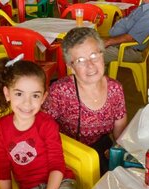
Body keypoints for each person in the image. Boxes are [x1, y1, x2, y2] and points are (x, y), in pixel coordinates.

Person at [0, 56, 76, 189]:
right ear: (7, 93)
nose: (27, 103)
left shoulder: (47, 124)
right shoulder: (1, 127)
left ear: (43, 98)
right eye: (19, 94)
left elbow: (57, 164)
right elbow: (2, 168)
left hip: (60, 185)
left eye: (35, 95)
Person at [42, 27, 128, 177]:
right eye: (80, 60)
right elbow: (42, 129)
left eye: (94, 55)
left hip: (100, 152)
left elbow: (120, 133)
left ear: (102, 55)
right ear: (71, 66)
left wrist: (116, 150)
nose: (90, 65)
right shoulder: (60, 91)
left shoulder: (115, 89)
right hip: (68, 157)